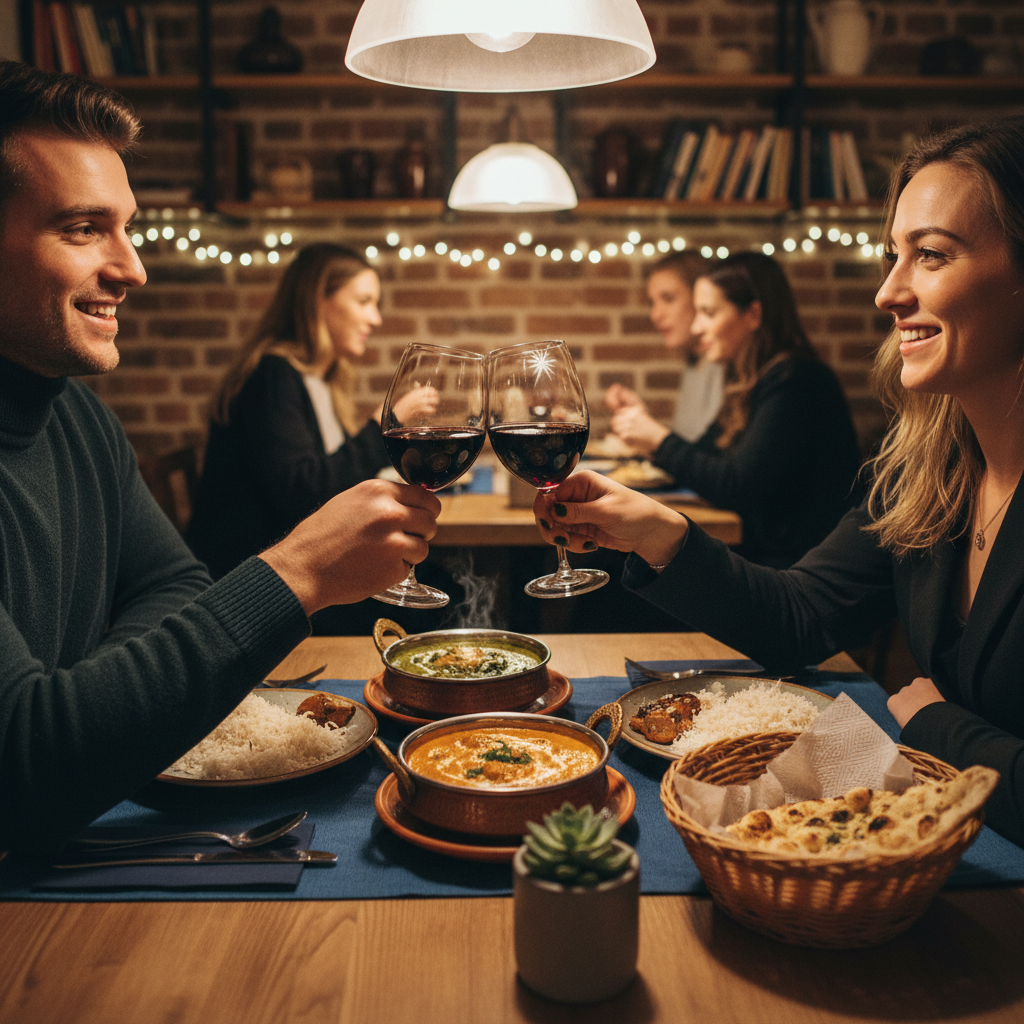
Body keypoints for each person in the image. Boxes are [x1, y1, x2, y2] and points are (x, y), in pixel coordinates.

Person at [533, 115, 1024, 848]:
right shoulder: (922, 464)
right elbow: (801, 618)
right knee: (658, 815)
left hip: (984, 867)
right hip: (935, 796)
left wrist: (934, 722)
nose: (888, 292)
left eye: (931, 255)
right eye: (894, 256)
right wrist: (658, 534)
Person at [0, 60, 440, 858]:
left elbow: (175, 583)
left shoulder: (78, 418)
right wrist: (299, 573)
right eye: (81, 228)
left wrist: (88, 704)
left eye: (126, 227)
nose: (132, 266)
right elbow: (25, 765)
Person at [186, 242, 448, 633]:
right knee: (440, 594)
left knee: (440, 578)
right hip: (254, 585)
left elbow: (331, 480)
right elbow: (302, 491)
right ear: (319, 302)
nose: (375, 318)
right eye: (363, 301)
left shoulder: (319, 381)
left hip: (302, 566)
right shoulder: (273, 377)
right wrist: (383, 423)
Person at [607, 251, 863, 569]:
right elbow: (705, 454)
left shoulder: (796, 380)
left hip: (801, 570)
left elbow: (736, 486)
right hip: (767, 559)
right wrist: (649, 432)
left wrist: (658, 439)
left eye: (709, 313)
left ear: (753, 315)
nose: (698, 328)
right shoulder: (751, 380)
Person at [605, 250, 724, 445]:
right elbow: (691, 448)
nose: (656, 315)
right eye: (653, 303)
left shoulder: (726, 364)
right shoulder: (695, 362)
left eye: (668, 298)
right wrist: (644, 421)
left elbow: (716, 466)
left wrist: (652, 432)